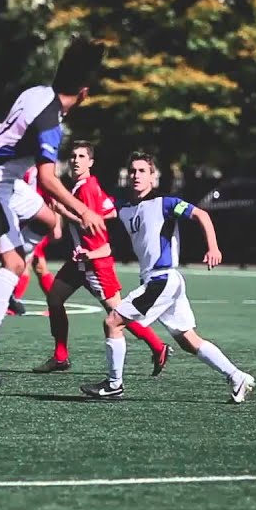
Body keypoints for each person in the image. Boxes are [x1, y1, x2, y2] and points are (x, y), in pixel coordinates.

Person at [0, 36, 109, 386]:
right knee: (13, 264)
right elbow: (47, 177)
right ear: (85, 92)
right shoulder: (52, 123)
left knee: (49, 222)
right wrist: (84, 211)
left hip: (8, 179)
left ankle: (3, 278)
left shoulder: (37, 92)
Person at [81, 151, 255, 403]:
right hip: (158, 282)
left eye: (142, 171)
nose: (136, 176)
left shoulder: (166, 203)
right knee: (188, 340)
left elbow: (202, 215)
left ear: (153, 177)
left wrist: (213, 247)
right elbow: (92, 215)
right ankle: (236, 376)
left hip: (162, 280)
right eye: (132, 171)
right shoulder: (124, 208)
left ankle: (114, 384)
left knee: (112, 322)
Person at [34, 140, 172, 376]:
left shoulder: (86, 188)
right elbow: (108, 211)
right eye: (73, 156)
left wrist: (62, 209)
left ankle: (158, 347)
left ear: (91, 162)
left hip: (95, 263)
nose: (76, 161)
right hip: (79, 260)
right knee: (55, 298)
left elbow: (89, 222)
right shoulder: (88, 187)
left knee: (119, 313)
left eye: (82, 157)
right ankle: (60, 356)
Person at [0, 166, 60, 317]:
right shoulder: (26, 170)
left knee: (29, 264)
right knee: (34, 265)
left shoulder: (40, 171)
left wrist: (56, 221)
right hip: (29, 219)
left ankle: (11, 298)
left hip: (35, 220)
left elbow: (53, 196)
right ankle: (15, 300)